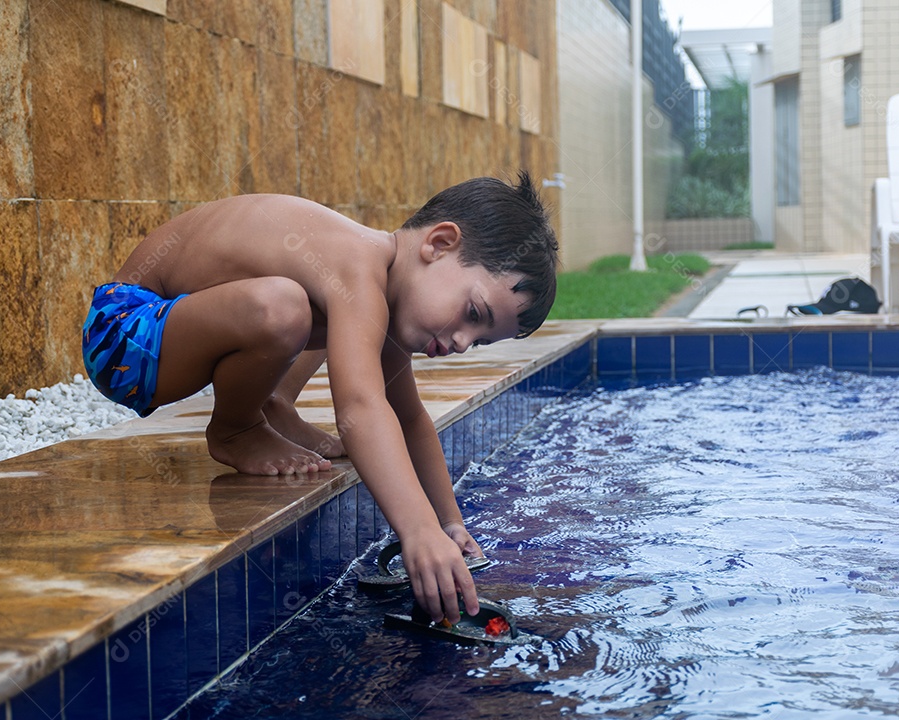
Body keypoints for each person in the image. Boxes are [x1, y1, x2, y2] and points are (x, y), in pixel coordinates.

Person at [82, 172, 558, 623]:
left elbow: (408, 417)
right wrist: (416, 532)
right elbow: (361, 407)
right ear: (438, 243)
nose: (460, 342)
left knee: (332, 319)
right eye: (472, 313)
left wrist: (448, 524)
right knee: (285, 308)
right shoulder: (357, 264)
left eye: (480, 340)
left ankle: (274, 406)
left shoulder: (383, 290)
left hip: (168, 330)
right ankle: (236, 428)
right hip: (125, 336)